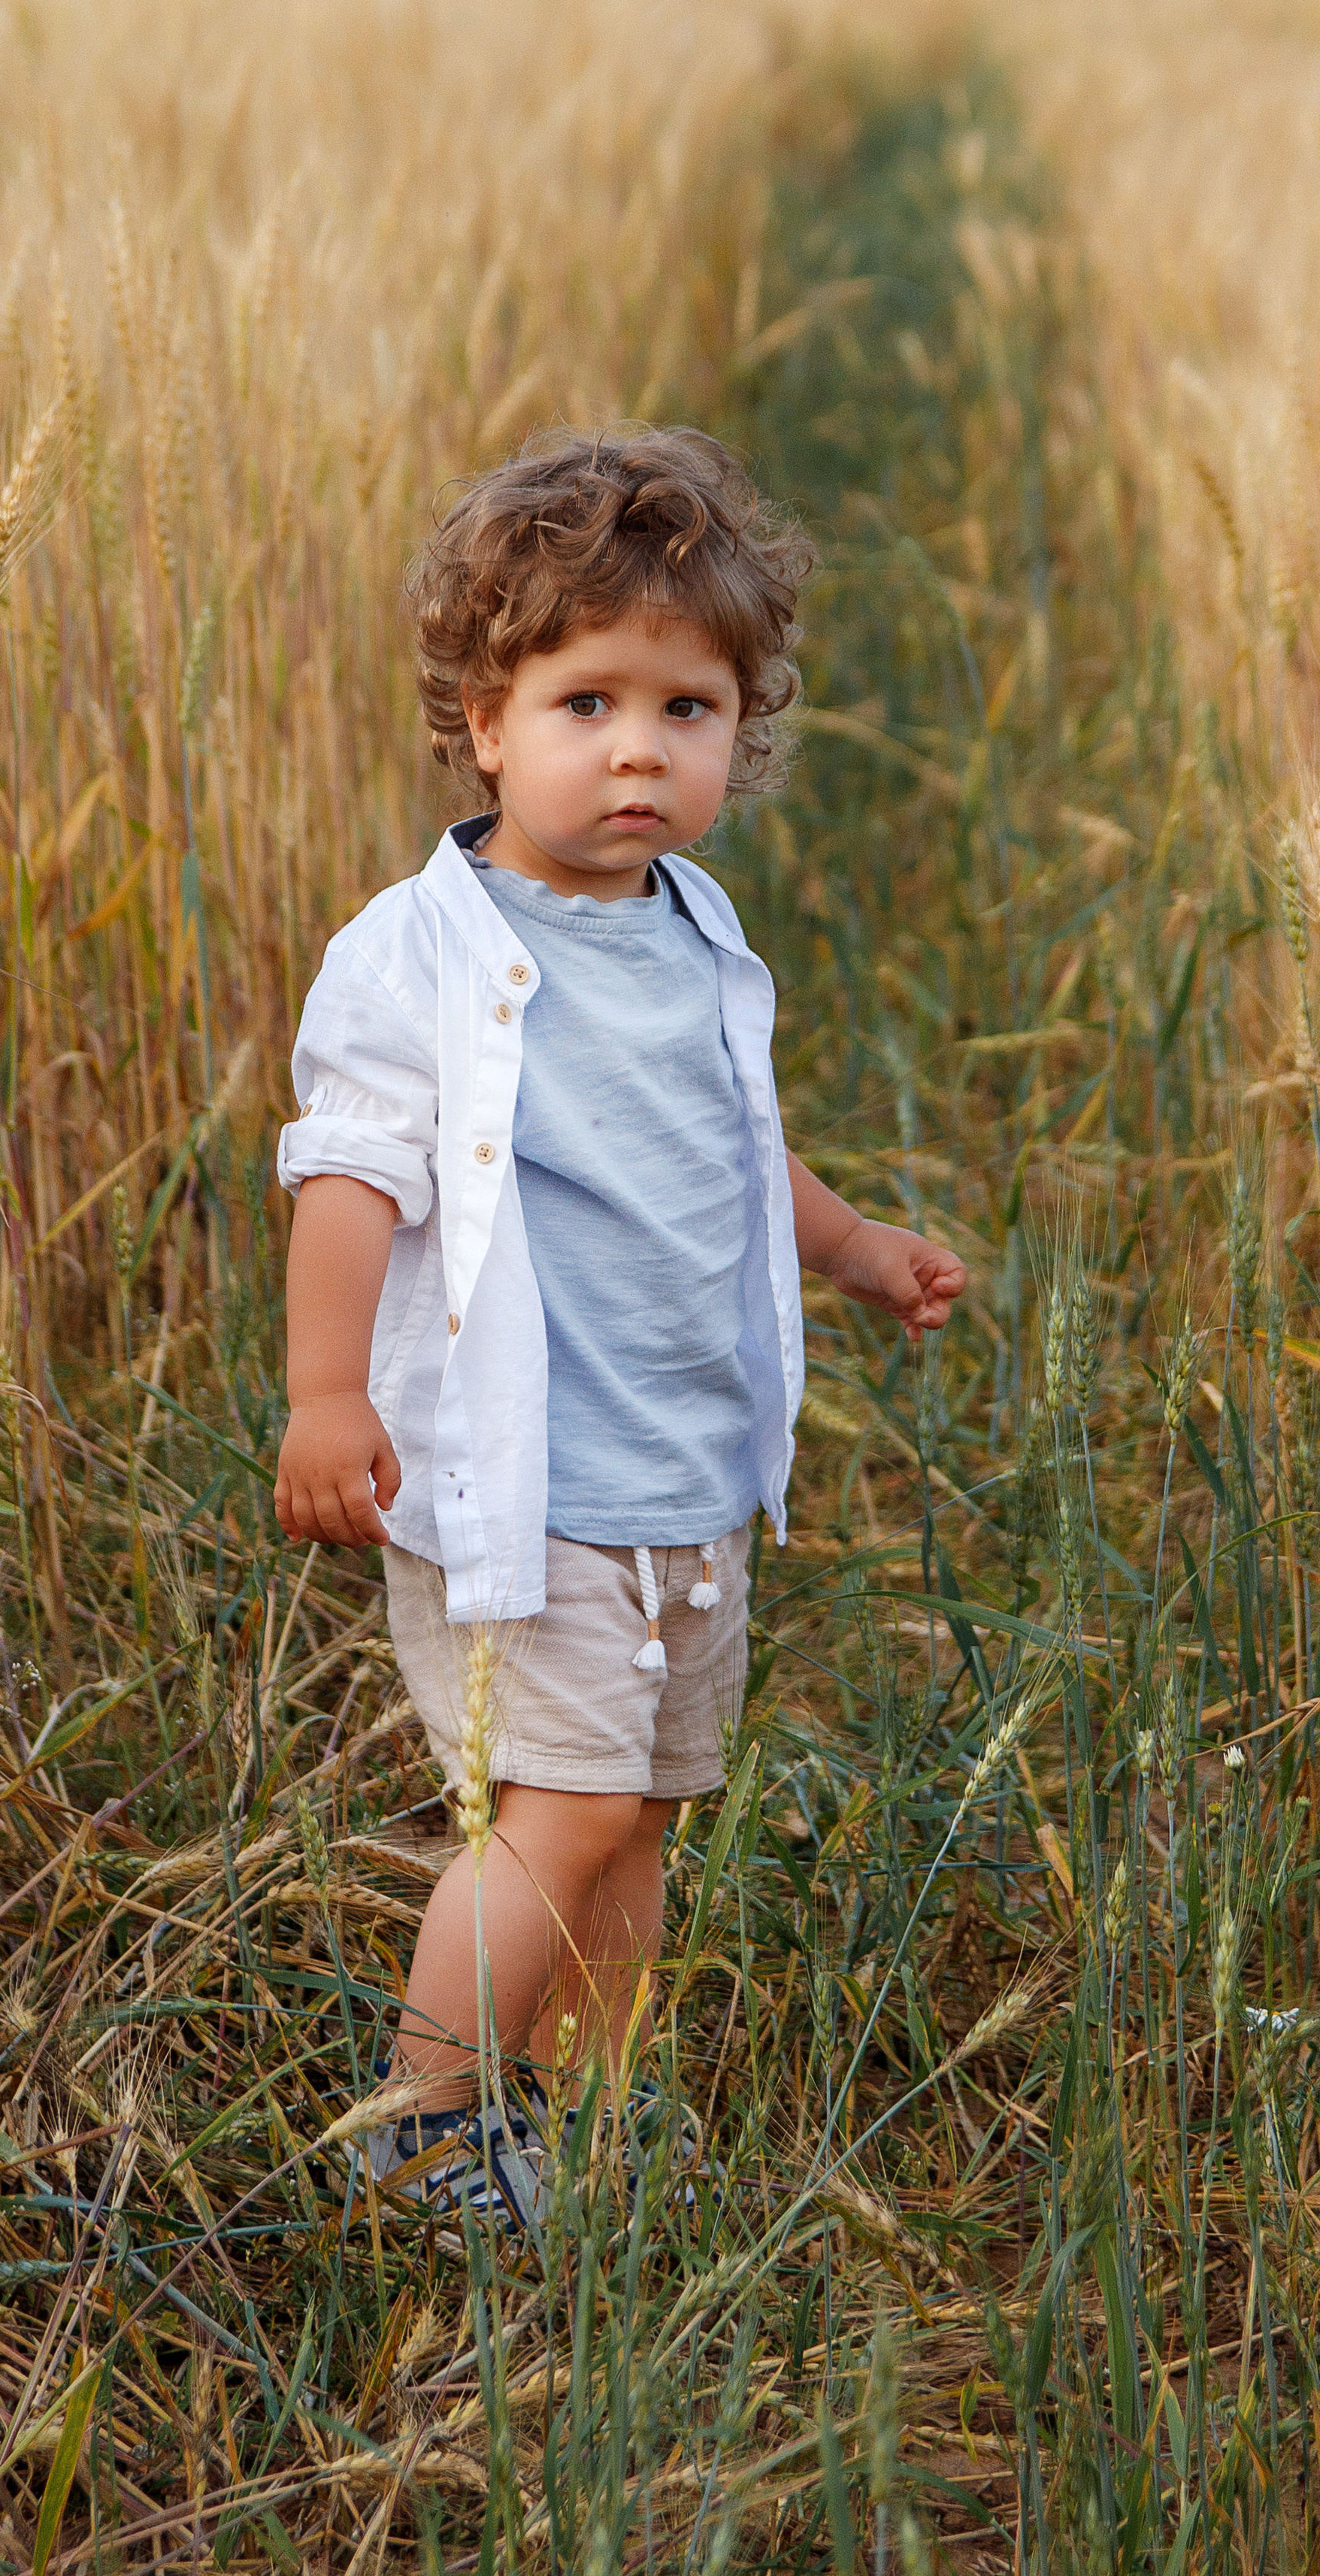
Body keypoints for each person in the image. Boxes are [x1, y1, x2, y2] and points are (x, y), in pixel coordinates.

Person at [273, 426, 965, 2221]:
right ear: (484, 722)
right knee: (559, 1812)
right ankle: (425, 2123)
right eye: (586, 704)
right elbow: (349, 1177)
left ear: (742, 731)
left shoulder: (692, 928)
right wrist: (325, 1392)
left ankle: (587, 2105)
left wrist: (853, 1247)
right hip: (530, 1484)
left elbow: (731, 1146)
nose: (639, 748)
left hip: (680, 1472)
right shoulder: (416, 954)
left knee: (639, 1813)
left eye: (688, 709)